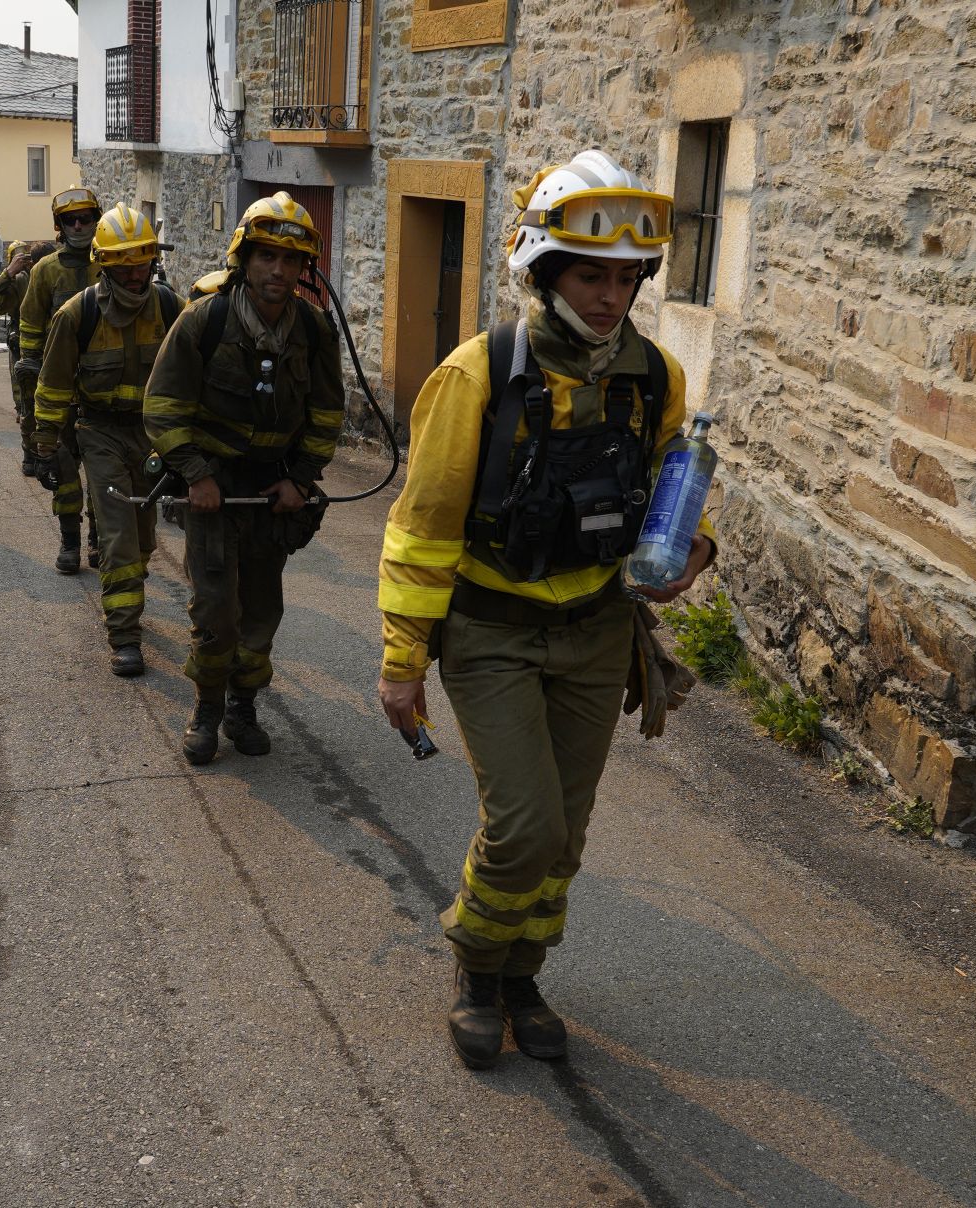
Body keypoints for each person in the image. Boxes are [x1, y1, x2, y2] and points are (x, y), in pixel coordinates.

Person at [374, 151, 717, 1070]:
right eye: (590, 275)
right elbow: (422, 530)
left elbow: (678, 492)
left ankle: (524, 975)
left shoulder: (654, 378)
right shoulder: (477, 374)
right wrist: (403, 660)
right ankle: (476, 966)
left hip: (598, 635)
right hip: (492, 634)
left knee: (566, 831)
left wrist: (695, 550)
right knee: (524, 824)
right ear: (544, 269)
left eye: (627, 278)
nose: (611, 297)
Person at [144, 192, 344, 765]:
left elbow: (326, 414)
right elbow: (162, 406)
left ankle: (243, 705)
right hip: (214, 489)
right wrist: (196, 475)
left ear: (304, 268)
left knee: (260, 611)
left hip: (273, 492)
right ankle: (207, 707)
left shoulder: (314, 329)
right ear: (244, 259)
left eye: (291, 259)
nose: (278, 270)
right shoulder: (204, 321)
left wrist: (301, 480)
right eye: (266, 256)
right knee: (215, 610)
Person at [31, 205, 183, 677]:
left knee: (143, 539)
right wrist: (43, 447)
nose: (136, 275)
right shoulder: (77, 315)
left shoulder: (171, 309)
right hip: (99, 434)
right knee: (118, 537)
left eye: (143, 263)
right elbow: (52, 386)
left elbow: (192, 377)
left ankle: (128, 592)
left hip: (153, 436)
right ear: (105, 265)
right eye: (124, 265)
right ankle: (125, 637)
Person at [16, 186, 105, 573]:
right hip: (60, 391)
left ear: (97, 220)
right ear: (60, 225)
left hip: (103, 389)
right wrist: (32, 372)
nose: (79, 225)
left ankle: (99, 539)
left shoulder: (112, 264)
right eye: (71, 220)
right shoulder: (46, 270)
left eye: (86, 218)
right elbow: (30, 325)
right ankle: (70, 541)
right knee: (65, 473)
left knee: (103, 475)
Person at [0, 239, 54, 445]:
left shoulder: (61, 278)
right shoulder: (21, 281)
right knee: (25, 387)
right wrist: (8, 274)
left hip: (54, 345)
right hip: (25, 343)